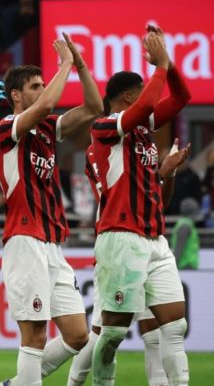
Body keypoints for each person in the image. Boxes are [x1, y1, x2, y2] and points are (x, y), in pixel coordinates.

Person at [0, 33, 104, 386]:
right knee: (35, 338)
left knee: (77, 335)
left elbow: (94, 108)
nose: (43, 90)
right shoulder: (6, 128)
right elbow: (41, 108)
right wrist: (66, 65)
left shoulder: (46, 129)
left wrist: (82, 67)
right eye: (35, 85)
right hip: (24, 239)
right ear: (15, 95)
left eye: (44, 84)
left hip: (53, 244)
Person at [89, 26, 191, 386]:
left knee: (175, 326)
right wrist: (159, 66)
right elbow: (150, 103)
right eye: (141, 94)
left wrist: (170, 65)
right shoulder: (104, 127)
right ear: (130, 96)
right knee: (112, 334)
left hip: (154, 239)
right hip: (121, 239)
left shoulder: (142, 129)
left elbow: (182, 96)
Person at [68, 137, 192, 386]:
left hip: (149, 242)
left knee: (157, 331)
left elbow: (159, 203)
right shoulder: (99, 148)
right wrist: (162, 171)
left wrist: (170, 174)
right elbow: (119, 197)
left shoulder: (143, 146)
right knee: (102, 333)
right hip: (119, 249)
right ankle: (74, 383)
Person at [170, 198, 200, 269]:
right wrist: (173, 268)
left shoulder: (185, 224)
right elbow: (179, 248)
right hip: (185, 265)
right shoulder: (185, 226)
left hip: (186, 265)